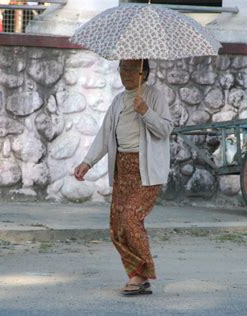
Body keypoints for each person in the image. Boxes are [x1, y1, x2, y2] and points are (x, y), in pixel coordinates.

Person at [74, 59, 173, 296]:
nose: (126, 74)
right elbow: (105, 134)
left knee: (131, 218)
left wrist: (146, 112)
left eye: (131, 69)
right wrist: (87, 162)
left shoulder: (154, 97)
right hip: (122, 167)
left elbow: (165, 129)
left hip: (146, 169)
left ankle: (141, 274)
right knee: (117, 227)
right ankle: (137, 275)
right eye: (123, 69)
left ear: (144, 72)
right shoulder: (118, 100)